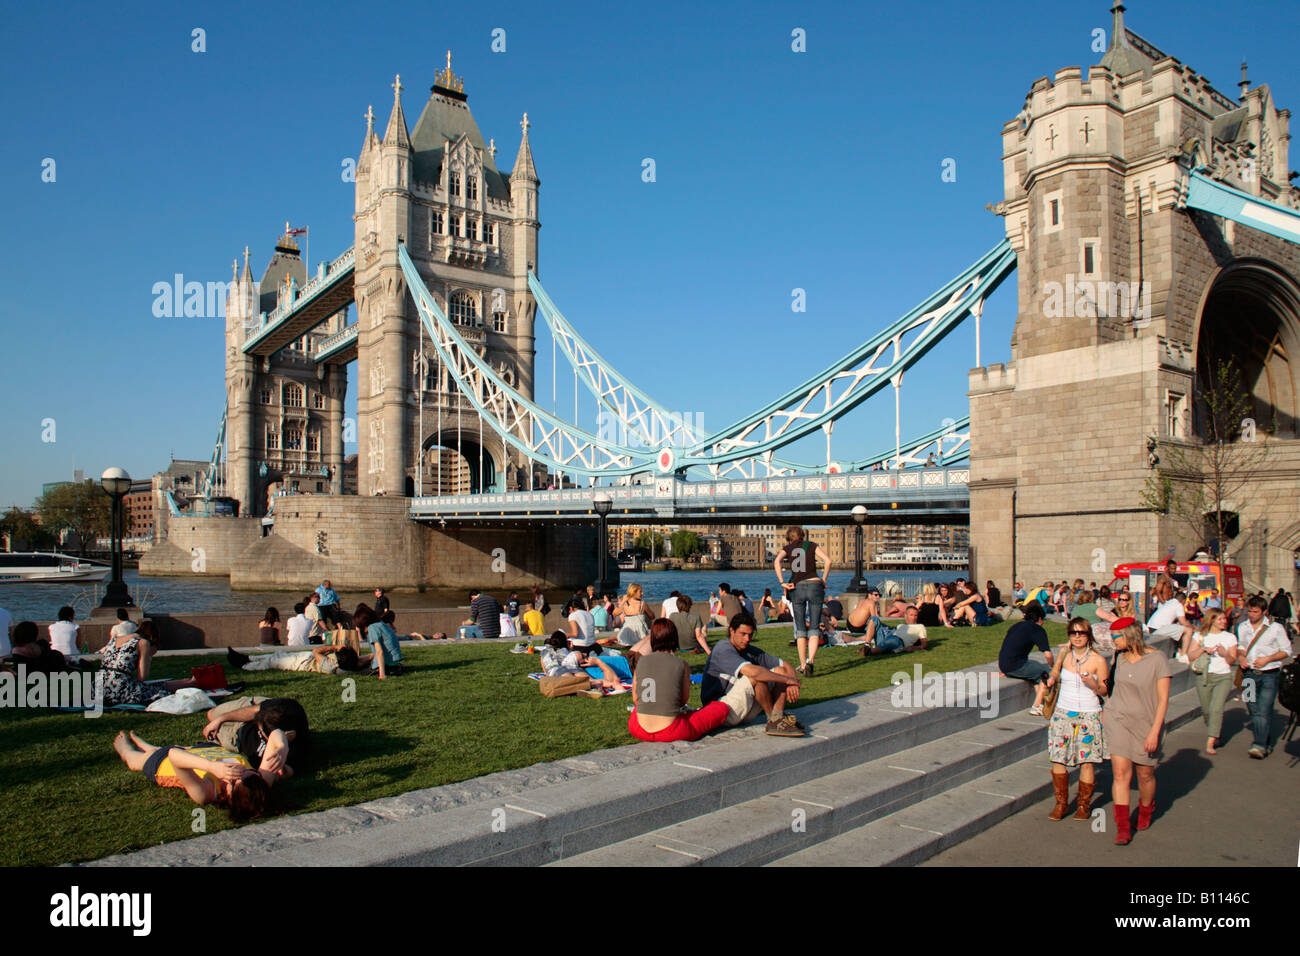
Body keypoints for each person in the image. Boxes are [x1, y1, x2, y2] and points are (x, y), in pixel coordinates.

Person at [1105, 621, 1172, 845]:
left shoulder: (1157, 660)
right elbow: (1114, 689)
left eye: (1116, 637)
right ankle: (1122, 828)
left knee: (1145, 775)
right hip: (1119, 720)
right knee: (1120, 774)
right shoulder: (1120, 658)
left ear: (1130, 635)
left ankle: (1146, 809)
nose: (1112, 641)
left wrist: (1154, 732)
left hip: (1146, 723)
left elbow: (1163, 700)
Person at [113, 731, 270, 820]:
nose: (240, 768)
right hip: (204, 750)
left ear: (229, 794)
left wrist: (211, 767)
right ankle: (149, 747)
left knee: (133, 759)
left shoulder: (206, 792)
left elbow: (174, 755)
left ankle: (126, 749)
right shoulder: (257, 782)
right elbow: (277, 735)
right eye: (249, 771)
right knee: (159, 749)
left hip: (162, 762)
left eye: (237, 776)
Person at [1043, 618, 1109, 821]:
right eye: (1073, 633)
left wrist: (1092, 684)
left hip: (1088, 714)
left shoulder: (1098, 660)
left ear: (1088, 636)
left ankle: (1083, 804)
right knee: (1057, 758)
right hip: (1062, 712)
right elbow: (1055, 670)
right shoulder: (1064, 654)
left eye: (1081, 633)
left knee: (1086, 761)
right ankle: (1061, 803)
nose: (1077, 636)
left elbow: (1105, 690)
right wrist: (1052, 679)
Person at [701, 612, 804, 736]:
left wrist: (792, 680)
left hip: (741, 706)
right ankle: (775, 721)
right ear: (732, 631)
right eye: (743, 634)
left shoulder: (749, 650)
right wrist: (787, 680)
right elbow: (753, 672)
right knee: (756, 676)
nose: (747, 639)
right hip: (720, 709)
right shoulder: (722, 649)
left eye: (750, 635)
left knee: (780, 672)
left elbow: (785, 665)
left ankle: (777, 717)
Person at [629, 619, 730, 742]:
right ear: (675, 638)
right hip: (671, 730)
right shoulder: (681, 664)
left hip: (638, 727)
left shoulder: (641, 662)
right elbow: (683, 700)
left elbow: (635, 699)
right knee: (721, 708)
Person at [1235, 595, 1293, 758]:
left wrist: (1268, 658)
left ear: (1264, 612)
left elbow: (1286, 650)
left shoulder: (1275, 628)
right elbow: (1241, 646)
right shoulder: (1243, 626)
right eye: (1250, 611)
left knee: (1263, 710)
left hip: (1269, 674)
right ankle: (1263, 736)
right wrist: (1241, 657)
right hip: (1249, 674)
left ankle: (1259, 745)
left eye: (1255, 612)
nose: (1252, 614)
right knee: (1251, 706)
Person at [202, 696, 311, 776]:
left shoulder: (296, 752)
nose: (258, 726)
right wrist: (221, 719)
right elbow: (254, 711)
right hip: (252, 707)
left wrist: (280, 751)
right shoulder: (285, 708)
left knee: (210, 733)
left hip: (237, 737)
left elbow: (281, 774)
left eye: (261, 729)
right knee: (211, 715)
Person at [774, 527, 831, 677]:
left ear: (789, 538)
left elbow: (776, 561)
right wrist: (823, 579)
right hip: (814, 585)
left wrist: (782, 582)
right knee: (814, 626)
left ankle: (803, 664)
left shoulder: (787, 548)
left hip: (797, 587)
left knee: (800, 629)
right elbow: (828, 561)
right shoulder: (811, 545)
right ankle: (811, 660)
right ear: (802, 536)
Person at [99, 617, 192, 706]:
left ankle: (188, 681)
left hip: (98, 689)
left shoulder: (114, 640)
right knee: (157, 689)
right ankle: (190, 682)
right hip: (117, 692)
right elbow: (142, 677)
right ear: (152, 637)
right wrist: (147, 657)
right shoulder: (143, 642)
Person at [1185, 608, 1236, 754]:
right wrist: (1203, 650)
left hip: (1223, 677)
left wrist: (1224, 653)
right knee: (1207, 710)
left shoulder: (1229, 637)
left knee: (1216, 708)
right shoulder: (1200, 636)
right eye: (1220, 619)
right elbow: (1190, 656)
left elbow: (1232, 660)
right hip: (1204, 676)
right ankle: (1214, 730)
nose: (1224, 621)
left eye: (1224, 619)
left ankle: (1211, 740)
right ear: (1211, 620)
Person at [997, 602, 1054, 715]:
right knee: (1046, 674)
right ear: (1040, 619)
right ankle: (1036, 707)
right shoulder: (1037, 629)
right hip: (1017, 665)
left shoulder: (1016, 625)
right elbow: (1048, 655)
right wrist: (1052, 667)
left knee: (1036, 673)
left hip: (1004, 664)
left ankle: (1042, 703)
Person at [538, 631, 626, 695]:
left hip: (556, 669)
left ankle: (595, 686)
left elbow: (544, 668)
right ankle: (613, 684)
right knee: (588, 679)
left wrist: (547, 673)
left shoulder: (545, 651)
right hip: (571, 665)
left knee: (574, 681)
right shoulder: (565, 650)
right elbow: (572, 656)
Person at [1145, 589, 1192, 659]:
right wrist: (1193, 627)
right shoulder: (1178, 605)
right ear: (1183, 601)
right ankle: (1183, 656)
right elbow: (1183, 622)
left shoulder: (1168, 602)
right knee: (1188, 630)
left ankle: (1178, 652)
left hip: (1150, 627)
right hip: (1159, 628)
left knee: (1179, 628)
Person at [368, 609, 404, 678]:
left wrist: (381, 674)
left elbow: (379, 652)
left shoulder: (376, 626)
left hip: (387, 663)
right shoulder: (385, 626)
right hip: (393, 661)